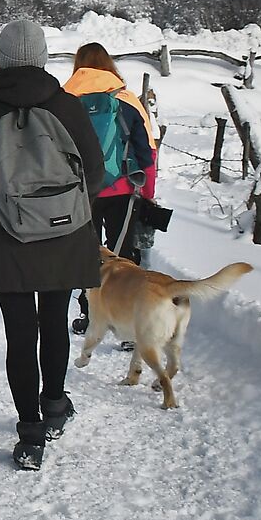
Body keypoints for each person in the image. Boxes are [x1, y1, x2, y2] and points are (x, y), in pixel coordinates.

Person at [0, 20, 109, 471]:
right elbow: (95, 174)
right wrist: (65, 210)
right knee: (53, 321)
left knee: (20, 333)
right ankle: (54, 406)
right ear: (40, 58)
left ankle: (29, 434)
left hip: (1, 237)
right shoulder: (67, 106)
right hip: (63, 234)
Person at [61, 42, 158, 334]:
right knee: (124, 255)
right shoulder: (127, 98)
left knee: (87, 252)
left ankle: (89, 315)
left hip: (80, 190)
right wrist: (148, 194)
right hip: (123, 189)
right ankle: (128, 325)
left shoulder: (65, 98)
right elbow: (147, 150)